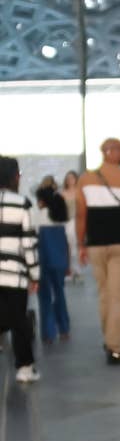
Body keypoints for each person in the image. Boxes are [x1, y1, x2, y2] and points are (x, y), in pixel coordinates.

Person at [76, 138, 120, 364]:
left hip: (95, 244)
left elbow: (81, 215)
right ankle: (115, 348)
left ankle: (109, 339)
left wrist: (81, 244)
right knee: (118, 297)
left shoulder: (85, 179)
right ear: (109, 151)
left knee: (105, 294)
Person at [0, 156, 41, 382]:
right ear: (14, 177)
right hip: (14, 275)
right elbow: (28, 243)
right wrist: (35, 274)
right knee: (18, 322)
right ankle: (25, 368)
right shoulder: (22, 203)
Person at [35, 186, 71, 343]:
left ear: (42, 201)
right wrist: (68, 264)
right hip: (60, 260)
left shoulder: (38, 216)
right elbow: (68, 243)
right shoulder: (61, 217)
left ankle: (48, 333)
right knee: (60, 294)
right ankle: (64, 329)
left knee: (45, 297)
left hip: (43, 261)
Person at [62, 169, 84, 281]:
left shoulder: (80, 192)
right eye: (68, 178)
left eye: (72, 178)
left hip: (77, 222)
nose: (70, 180)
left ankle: (77, 270)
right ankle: (69, 270)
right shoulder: (63, 193)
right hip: (66, 222)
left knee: (76, 245)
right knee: (68, 247)